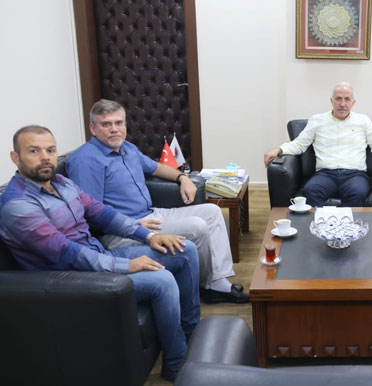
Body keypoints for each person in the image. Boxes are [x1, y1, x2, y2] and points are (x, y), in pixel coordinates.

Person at [0, 125, 202, 382]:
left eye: (50, 150)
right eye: (34, 151)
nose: (45, 157)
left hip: (97, 257)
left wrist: (150, 236)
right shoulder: (18, 205)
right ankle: (176, 364)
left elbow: (102, 213)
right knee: (160, 279)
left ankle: (192, 334)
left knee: (184, 250)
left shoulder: (62, 183)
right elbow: (66, 253)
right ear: (15, 157)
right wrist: (126, 266)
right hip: (71, 280)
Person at [67, 99, 248, 304]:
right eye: (106, 124)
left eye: (119, 123)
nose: (114, 129)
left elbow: (156, 168)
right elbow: (91, 213)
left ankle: (217, 282)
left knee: (211, 212)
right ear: (93, 128)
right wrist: (132, 225)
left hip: (152, 214)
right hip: (124, 230)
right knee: (197, 226)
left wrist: (183, 178)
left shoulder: (127, 148)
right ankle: (206, 285)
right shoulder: (85, 160)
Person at [263, 82, 372, 207]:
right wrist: (279, 149)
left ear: (353, 102)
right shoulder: (317, 120)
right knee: (310, 191)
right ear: (331, 101)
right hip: (325, 174)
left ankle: (347, 230)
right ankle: (320, 228)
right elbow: (299, 144)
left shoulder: (363, 121)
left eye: (347, 99)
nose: (342, 104)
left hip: (355, 175)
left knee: (357, 193)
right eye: (338, 99)